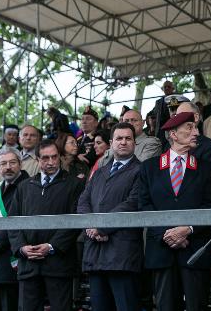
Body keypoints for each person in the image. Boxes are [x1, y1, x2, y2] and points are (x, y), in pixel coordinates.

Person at [139, 112, 211, 311]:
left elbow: (210, 207)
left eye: (196, 127)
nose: (196, 132)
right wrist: (167, 233)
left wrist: (188, 229)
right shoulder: (149, 168)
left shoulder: (205, 168)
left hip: (194, 249)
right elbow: (144, 206)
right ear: (173, 134)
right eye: (189, 127)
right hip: (161, 251)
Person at [8, 139, 85, 311]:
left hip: (59, 264)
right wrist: (21, 248)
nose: (50, 162)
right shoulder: (24, 187)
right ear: (37, 160)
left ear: (60, 157)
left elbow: (75, 221)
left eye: (54, 157)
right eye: (45, 158)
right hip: (29, 264)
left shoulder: (75, 185)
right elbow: (12, 222)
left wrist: (51, 246)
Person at [77, 123, 143, 311]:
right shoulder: (99, 172)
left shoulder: (141, 171)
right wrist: (90, 227)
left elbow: (132, 203)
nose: (123, 142)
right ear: (111, 143)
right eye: (119, 138)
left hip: (122, 255)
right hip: (95, 254)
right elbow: (83, 202)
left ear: (134, 143)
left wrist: (101, 226)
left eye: (128, 138)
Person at [0, 147, 30, 311]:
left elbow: (14, 224)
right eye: (3, 163)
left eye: (12, 162)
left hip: (11, 265)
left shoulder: (28, 187)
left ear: (20, 163)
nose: (8, 167)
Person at [98, 109, 162, 167]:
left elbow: (140, 168)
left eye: (134, 120)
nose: (130, 124)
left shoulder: (152, 143)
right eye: (126, 121)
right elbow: (101, 164)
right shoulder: (116, 142)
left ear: (143, 123)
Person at [174, 102, 211, 169]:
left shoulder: (208, 146)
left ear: (196, 117)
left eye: (183, 115)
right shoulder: (171, 142)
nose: (179, 119)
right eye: (177, 116)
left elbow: (204, 176)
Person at [152, 80, 176, 146]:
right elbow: (152, 114)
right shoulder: (158, 102)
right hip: (161, 130)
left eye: (169, 86)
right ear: (163, 89)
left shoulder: (177, 99)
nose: (167, 88)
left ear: (173, 88)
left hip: (174, 128)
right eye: (165, 87)